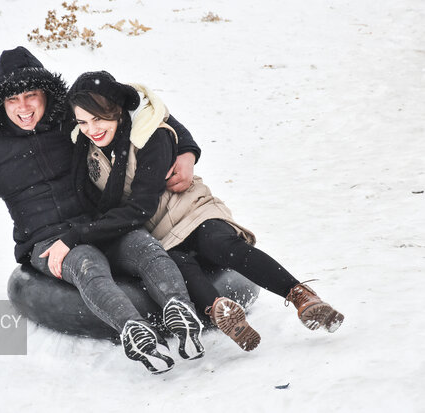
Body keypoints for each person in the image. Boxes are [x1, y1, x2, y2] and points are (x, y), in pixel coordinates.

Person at [0, 47, 207, 374]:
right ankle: (134, 331)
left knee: (143, 246)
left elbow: (142, 113)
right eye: (12, 100)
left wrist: (186, 150)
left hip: (100, 222)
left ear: (45, 94)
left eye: (30, 95)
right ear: (0, 102)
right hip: (46, 240)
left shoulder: (68, 114)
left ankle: (181, 311)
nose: (23, 108)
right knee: (86, 262)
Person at [54, 71, 344, 352]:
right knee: (178, 265)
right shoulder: (85, 147)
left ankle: (301, 296)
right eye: (83, 122)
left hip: (191, 209)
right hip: (158, 234)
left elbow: (140, 207)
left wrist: (77, 235)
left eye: (98, 118)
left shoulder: (151, 135)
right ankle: (222, 311)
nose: (92, 129)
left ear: (116, 110)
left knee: (219, 244)